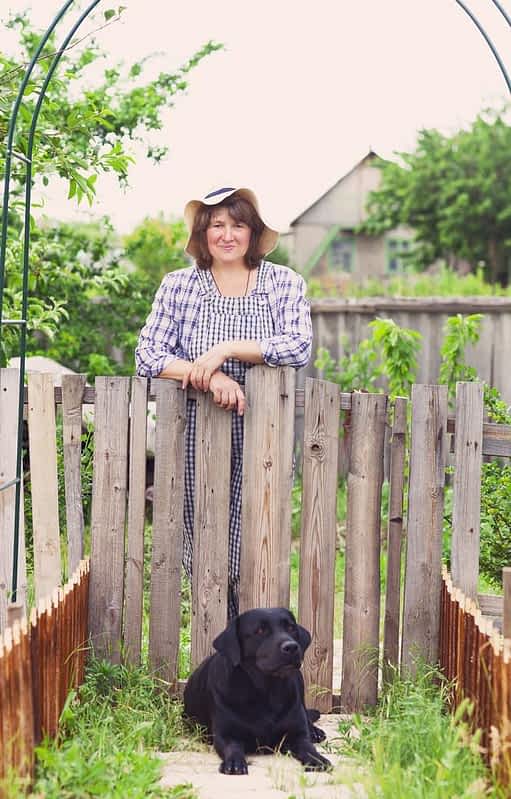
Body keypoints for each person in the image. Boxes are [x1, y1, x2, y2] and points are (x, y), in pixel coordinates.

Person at [135, 186, 312, 617]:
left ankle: (251, 626)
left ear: (253, 233)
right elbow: (148, 355)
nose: (227, 234)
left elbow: (297, 346)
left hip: (263, 429)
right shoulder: (179, 286)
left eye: (238, 225)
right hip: (193, 428)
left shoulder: (282, 282)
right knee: (200, 531)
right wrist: (209, 376)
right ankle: (213, 630)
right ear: (203, 232)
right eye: (217, 225)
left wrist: (228, 348)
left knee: (256, 530)